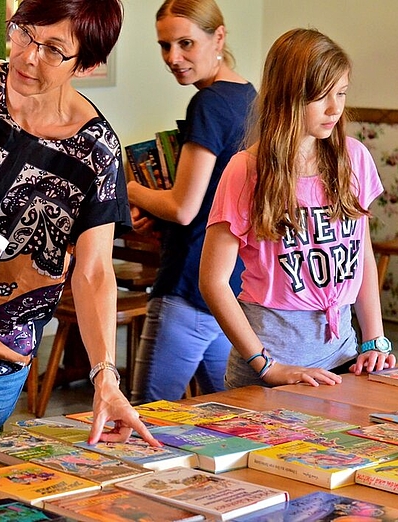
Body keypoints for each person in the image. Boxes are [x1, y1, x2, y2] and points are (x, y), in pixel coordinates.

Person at [0, 0, 158, 446]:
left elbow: (93, 271)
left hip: (2, 350)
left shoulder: (96, 152)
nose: (28, 56)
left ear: (86, 64)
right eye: (24, 33)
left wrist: (104, 374)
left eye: (54, 49)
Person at [199, 28, 396, 389]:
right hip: (270, 368)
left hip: (344, 359)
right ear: (288, 97)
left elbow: (360, 255)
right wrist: (266, 365)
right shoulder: (245, 171)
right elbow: (212, 282)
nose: (336, 108)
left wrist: (373, 340)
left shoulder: (354, 158)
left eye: (341, 93)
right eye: (322, 97)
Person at [127, 0, 256, 402]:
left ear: (218, 37)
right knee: (227, 411)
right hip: (230, 284)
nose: (173, 57)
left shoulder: (209, 104)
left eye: (186, 43)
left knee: (146, 416)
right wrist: (158, 210)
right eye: (165, 46)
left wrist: (129, 190)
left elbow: (184, 207)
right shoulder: (249, 97)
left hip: (189, 281)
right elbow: (217, 201)